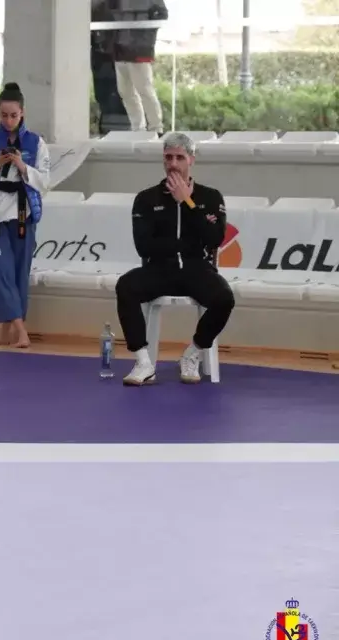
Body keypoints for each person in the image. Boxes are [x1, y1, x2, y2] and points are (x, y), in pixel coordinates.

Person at [115, 132, 235, 386]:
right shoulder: (146, 199)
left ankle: (192, 353)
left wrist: (188, 203)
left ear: (191, 160)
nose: (173, 163)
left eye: (179, 157)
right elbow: (143, 246)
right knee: (126, 286)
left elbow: (214, 239)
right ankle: (143, 361)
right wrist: (187, 241)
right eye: (168, 157)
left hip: (197, 270)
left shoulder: (210, 197)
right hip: (160, 269)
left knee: (224, 298)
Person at [0, 82, 51, 349]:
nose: (8, 120)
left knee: (18, 273)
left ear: (22, 113)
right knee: (0, 271)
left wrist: (20, 165)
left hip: (23, 215)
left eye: (13, 115)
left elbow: (45, 183)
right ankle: (21, 330)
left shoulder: (36, 143)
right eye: (3, 115)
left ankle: (5, 329)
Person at [108, 0, 168, 134]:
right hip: (120, 49)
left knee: (145, 90)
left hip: (139, 50)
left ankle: (156, 127)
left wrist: (145, 37)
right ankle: (137, 128)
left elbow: (161, 16)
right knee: (125, 92)